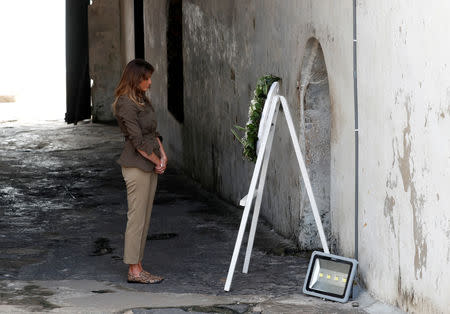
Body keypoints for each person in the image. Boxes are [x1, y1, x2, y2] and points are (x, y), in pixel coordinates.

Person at [112, 59, 167, 284]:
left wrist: (162, 155)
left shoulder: (142, 99)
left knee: (143, 218)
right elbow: (136, 140)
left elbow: (152, 132)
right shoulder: (125, 103)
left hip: (150, 162)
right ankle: (134, 270)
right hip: (137, 165)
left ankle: (139, 266)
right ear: (136, 78)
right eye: (146, 78)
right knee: (136, 218)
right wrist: (156, 160)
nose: (150, 82)